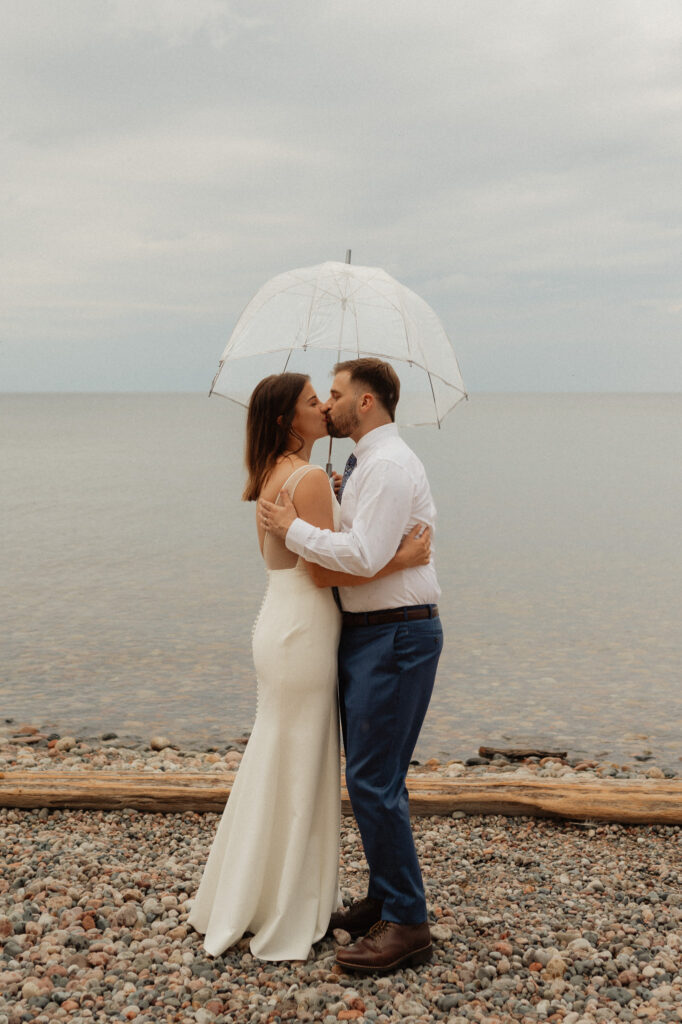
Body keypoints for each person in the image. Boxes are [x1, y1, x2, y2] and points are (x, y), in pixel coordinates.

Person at [188, 372, 431, 962]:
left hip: (281, 624)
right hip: (308, 630)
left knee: (282, 754)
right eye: (311, 400)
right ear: (286, 420)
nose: (324, 405)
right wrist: (407, 554)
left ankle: (262, 892)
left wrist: (330, 516)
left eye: (331, 395)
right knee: (306, 764)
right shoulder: (312, 479)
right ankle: (297, 901)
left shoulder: (273, 473)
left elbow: (322, 556)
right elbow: (327, 568)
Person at [258, 358, 444, 974]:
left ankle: (409, 925)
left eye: (334, 395)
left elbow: (361, 556)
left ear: (364, 404)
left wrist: (294, 528)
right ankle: (387, 897)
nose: (328, 404)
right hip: (373, 634)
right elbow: (365, 551)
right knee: (374, 775)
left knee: (371, 780)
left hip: (395, 635)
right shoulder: (364, 465)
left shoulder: (387, 465)